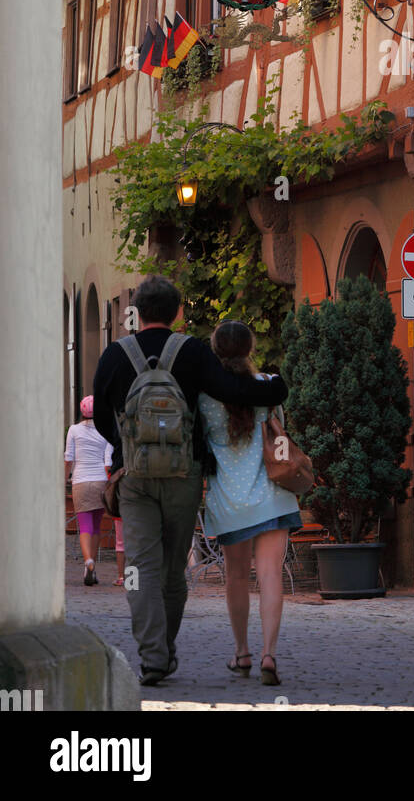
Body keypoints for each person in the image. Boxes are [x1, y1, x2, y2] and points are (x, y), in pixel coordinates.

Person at [92, 276, 289, 686]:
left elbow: (100, 419)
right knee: (173, 570)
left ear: (135, 312)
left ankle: (153, 657)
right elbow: (234, 390)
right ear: (178, 313)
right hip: (184, 476)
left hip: (134, 478)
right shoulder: (191, 351)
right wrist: (277, 387)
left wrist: (128, 448)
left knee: (141, 568)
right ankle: (165, 644)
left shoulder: (113, 355)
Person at [199, 321, 301, 687]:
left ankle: (241, 651)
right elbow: (279, 433)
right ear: (250, 348)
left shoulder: (205, 395)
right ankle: (268, 655)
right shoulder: (267, 389)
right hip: (271, 498)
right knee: (271, 575)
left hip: (229, 503)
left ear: (215, 350)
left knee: (237, 577)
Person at [64, 395, 113, 586]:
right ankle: (91, 566)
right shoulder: (105, 431)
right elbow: (108, 461)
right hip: (100, 480)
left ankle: (88, 562)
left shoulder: (74, 430)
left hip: (81, 481)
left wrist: (64, 478)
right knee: (97, 525)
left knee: (84, 525)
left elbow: (69, 458)